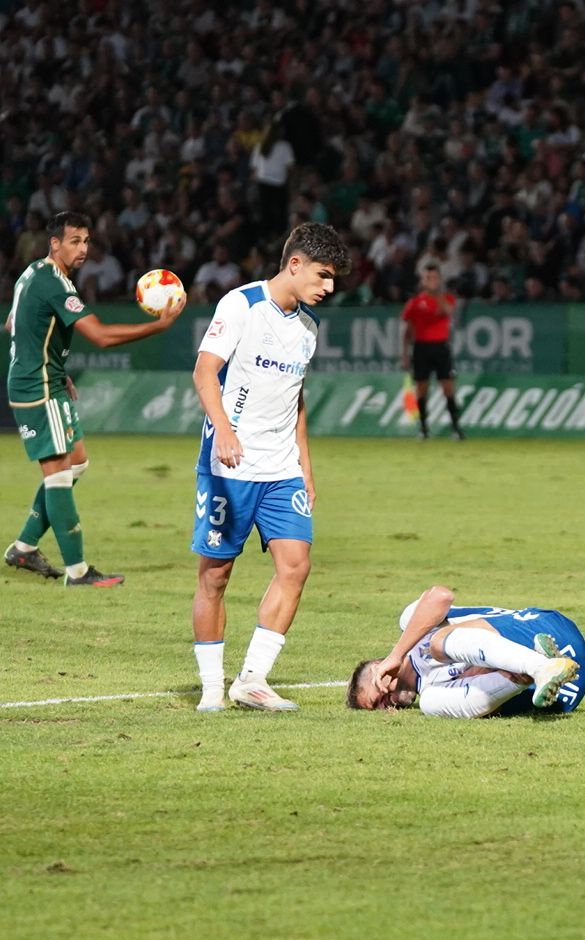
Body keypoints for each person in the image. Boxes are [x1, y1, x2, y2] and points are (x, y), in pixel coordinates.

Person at [190, 222, 351, 712]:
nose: (328, 288)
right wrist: (224, 429)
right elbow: (204, 371)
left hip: (280, 467)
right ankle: (213, 688)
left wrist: (306, 465)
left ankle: (252, 679)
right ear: (295, 264)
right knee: (215, 576)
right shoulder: (240, 305)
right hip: (229, 463)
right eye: (323, 276)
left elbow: (296, 398)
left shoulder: (309, 326)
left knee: (296, 566)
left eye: (334, 280)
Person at [5, 210, 186, 585]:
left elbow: (14, 322)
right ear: (54, 243)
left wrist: (56, 364)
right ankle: (78, 572)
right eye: (74, 241)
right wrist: (159, 325)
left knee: (78, 463)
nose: (83, 248)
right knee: (56, 475)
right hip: (37, 387)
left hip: (49, 379)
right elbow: (100, 337)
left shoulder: (35, 273)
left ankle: (23, 548)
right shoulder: (54, 283)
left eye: (86, 241)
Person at [346, 585, 585, 718]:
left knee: (437, 644)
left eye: (377, 699)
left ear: (379, 668)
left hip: (540, 629)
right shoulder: (433, 692)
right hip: (561, 695)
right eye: (377, 710)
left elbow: (441, 596)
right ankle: (532, 670)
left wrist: (397, 655)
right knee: (430, 704)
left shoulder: (412, 626)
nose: (386, 707)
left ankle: (539, 666)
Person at [399, 263, 465, 440]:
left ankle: (456, 428)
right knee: (422, 388)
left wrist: (437, 294)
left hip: (441, 347)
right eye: (428, 278)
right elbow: (407, 331)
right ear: (422, 280)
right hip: (421, 348)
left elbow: (447, 312)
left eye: (434, 278)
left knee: (448, 388)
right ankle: (423, 428)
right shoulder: (414, 303)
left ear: (440, 280)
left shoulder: (447, 299)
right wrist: (404, 354)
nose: (431, 281)